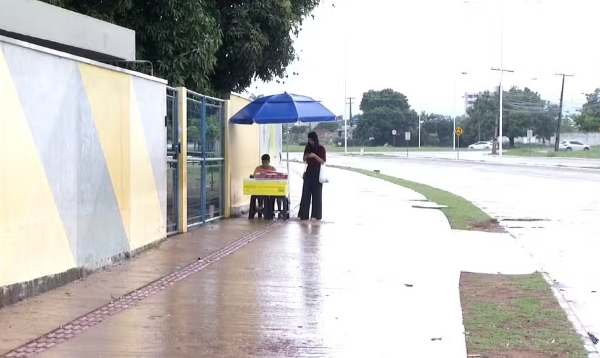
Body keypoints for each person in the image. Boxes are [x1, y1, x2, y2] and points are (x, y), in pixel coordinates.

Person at [299, 131, 326, 221]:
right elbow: (304, 159)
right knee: (306, 193)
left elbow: (322, 161)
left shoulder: (321, 149)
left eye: (312, 140)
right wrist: (306, 156)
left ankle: (316, 215)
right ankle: (303, 214)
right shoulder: (308, 147)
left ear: (315, 140)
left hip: (317, 171)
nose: (310, 142)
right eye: (309, 140)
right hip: (309, 170)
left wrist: (314, 156)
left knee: (317, 194)